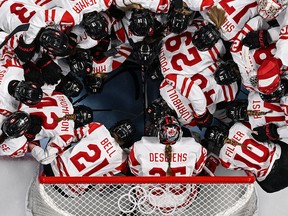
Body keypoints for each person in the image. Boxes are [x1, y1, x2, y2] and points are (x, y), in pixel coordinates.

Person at [29, 119, 136, 196]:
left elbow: (71, 136)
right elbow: (101, 185)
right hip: (71, 191)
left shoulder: (98, 127)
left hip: (52, 171)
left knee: (65, 133)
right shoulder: (122, 159)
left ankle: (31, 143)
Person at [128, 115, 207, 212]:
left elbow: (135, 171)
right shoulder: (194, 147)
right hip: (182, 203)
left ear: (159, 133)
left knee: (137, 177)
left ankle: (133, 209)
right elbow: (197, 171)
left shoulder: (140, 146)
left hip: (150, 202)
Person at [203, 122, 288, 193]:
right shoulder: (238, 126)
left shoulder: (223, 159)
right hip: (282, 155)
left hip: (269, 180)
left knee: (266, 186)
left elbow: (238, 167)